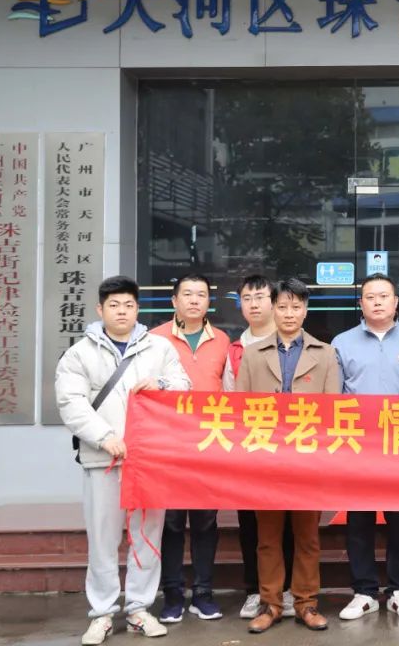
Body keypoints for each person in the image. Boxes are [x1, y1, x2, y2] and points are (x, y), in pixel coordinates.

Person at [56, 276, 190, 645]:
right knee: (103, 539)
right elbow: (71, 403)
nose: (122, 312)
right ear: (100, 309)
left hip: (149, 461)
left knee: (147, 536)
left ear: (137, 309)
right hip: (103, 459)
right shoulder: (80, 353)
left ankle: (139, 608)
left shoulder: (159, 348)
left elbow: (183, 386)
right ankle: (101, 613)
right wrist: (104, 437)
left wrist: (161, 385)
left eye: (129, 305)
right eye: (114, 305)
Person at [236, 277, 341, 634]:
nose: (289, 313)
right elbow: (241, 411)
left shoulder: (325, 354)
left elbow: (332, 412)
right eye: (282, 306)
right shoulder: (253, 354)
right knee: (267, 538)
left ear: (306, 310)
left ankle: (306, 603)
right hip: (266, 459)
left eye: (296, 307)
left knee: (307, 537)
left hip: (307, 459)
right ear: (273, 309)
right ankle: (270, 604)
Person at [332, 273, 399, 621]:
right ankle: (364, 591)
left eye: (383, 296)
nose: (377, 302)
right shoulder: (341, 342)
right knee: (358, 520)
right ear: (361, 303)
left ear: (395, 302)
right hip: (358, 446)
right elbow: (335, 397)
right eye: (370, 296)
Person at [150, 273, 231, 623]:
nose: (195, 300)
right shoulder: (153, 339)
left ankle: (203, 593)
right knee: (170, 522)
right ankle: (171, 594)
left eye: (201, 294)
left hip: (208, 445)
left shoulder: (223, 340)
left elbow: (230, 393)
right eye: (187, 294)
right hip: (167, 446)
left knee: (204, 521)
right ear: (174, 300)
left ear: (209, 301)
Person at [223, 274, 296, 621]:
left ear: (274, 302)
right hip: (251, 449)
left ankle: (288, 589)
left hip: (292, 449)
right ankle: (255, 590)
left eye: (260, 297)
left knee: (291, 522)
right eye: (247, 298)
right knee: (250, 523)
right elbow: (228, 401)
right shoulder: (235, 350)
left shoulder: (292, 344)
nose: (254, 304)